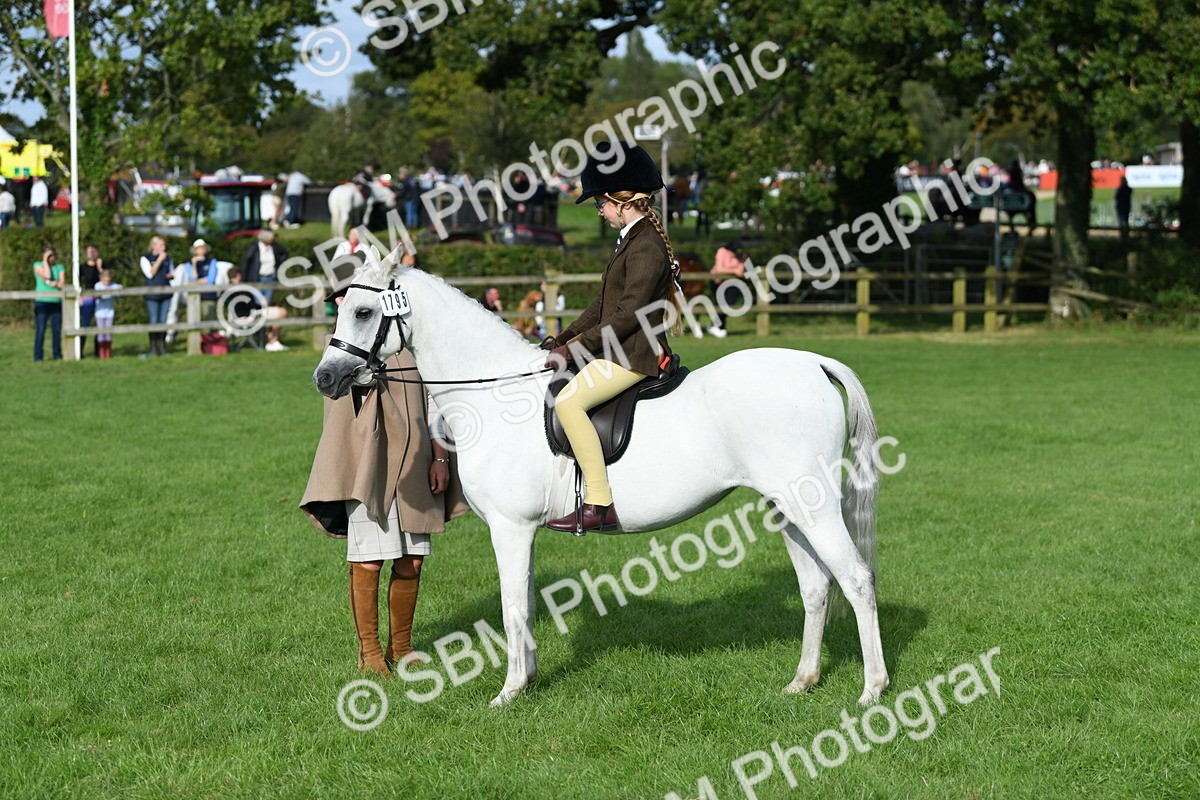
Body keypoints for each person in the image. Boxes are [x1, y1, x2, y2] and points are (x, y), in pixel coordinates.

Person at [301, 247, 470, 677]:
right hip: (369, 464)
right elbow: (343, 395)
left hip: (416, 459)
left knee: (412, 559)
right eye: (339, 295)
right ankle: (371, 653)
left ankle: (402, 646)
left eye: (350, 292)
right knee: (370, 559)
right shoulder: (343, 348)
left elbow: (434, 400)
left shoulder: (408, 338)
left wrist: (440, 456)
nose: (344, 300)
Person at [541, 141, 676, 533]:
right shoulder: (633, 239)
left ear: (622, 201)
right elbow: (603, 304)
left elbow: (628, 313)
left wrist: (576, 349)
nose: (599, 211)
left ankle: (599, 503)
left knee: (568, 403)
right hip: (620, 349)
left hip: (634, 354)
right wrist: (564, 337)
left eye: (600, 203)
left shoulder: (646, 245)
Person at [139, 236, 174, 357]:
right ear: (153, 246)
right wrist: (159, 260)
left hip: (166, 293)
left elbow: (171, 272)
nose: (164, 247)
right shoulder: (145, 258)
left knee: (163, 321)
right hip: (152, 294)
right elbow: (150, 274)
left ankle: (162, 348)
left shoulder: (168, 258)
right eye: (161, 245)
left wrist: (171, 275)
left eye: (164, 245)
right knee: (154, 321)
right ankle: (153, 348)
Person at [706, 243, 748, 337]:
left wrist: (733, 271)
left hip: (731, 283)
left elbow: (740, 271)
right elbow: (719, 269)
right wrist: (733, 271)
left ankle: (715, 325)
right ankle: (721, 327)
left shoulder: (740, 256)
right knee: (721, 304)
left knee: (728, 304)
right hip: (717, 282)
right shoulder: (722, 251)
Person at [33, 247, 65, 361]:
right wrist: (45, 261)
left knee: (56, 330)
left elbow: (61, 283)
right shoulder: (37, 265)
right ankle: (38, 356)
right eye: (48, 256)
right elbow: (46, 275)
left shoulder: (59, 267)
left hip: (56, 302)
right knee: (41, 329)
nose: (51, 258)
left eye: (52, 255)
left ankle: (57, 354)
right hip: (42, 302)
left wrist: (54, 283)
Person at [76, 244, 104, 357]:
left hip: (100, 298)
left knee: (99, 325)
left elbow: (106, 280)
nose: (91, 254)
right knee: (85, 324)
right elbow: (77, 283)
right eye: (89, 252)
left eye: (94, 251)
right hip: (87, 298)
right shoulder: (82, 267)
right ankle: (80, 351)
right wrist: (79, 296)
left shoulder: (102, 266)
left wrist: (100, 268)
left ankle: (98, 352)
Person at [94, 268, 121, 359]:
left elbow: (119, 289)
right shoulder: (98, 285)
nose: (106, 282)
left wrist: (118, 289)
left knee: (108, 332)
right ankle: (101, 353)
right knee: (101, 332)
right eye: (105, 280)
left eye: (108, 280)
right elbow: (98, 295)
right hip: (100, 312)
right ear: (101, 279)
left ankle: (108, 352)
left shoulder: (113, 285)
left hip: (109, 312)